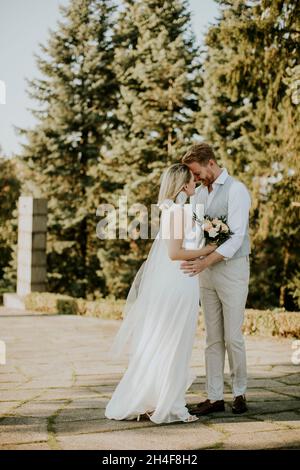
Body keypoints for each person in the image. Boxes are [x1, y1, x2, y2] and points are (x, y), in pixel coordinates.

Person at [105, 163, 216, 424]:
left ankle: (156, 399)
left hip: (177, 281)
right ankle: (171, 406)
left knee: (166, 341)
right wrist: (208, 250)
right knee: (175, 342)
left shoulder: (172, 209)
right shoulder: (179, 212)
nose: (195, 183)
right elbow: (175, 253)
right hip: (180, 281)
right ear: (183, 185)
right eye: (192, 180)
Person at [181, 143, 251, 415]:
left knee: (233, 336)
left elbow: (236, 236)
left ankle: (239, 392)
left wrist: (204, 262)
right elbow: (195, 232)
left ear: (210, 163)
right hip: (206, 271)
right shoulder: (198, 195)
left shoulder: (237, 190)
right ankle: (213, 397)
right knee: (212, 337)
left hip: (232, 269)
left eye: (197, 172)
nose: (196, 178)